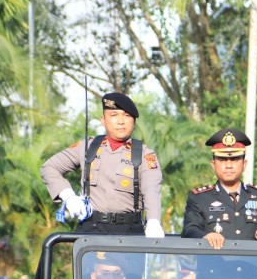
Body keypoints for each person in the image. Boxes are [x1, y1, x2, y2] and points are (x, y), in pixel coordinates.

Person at [40, 92, 164, 238]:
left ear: (134, 122)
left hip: (129, 231)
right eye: (114, 115)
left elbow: (152, 190)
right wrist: (68, 196)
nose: (121, 121)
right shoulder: (87, 147)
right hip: (91, 229)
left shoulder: (144, 155)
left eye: (126, 116)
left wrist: (154, 221)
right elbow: (49, 168)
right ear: (103, 120)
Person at [182, 127, 257, 249]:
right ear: (213, 165)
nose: (228, 165)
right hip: (214, 266)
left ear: (244, 164)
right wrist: (206, 236)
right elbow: (189, 231)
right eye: (222, 160)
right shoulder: (199, 198)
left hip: (251, 267)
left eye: (235, 159)